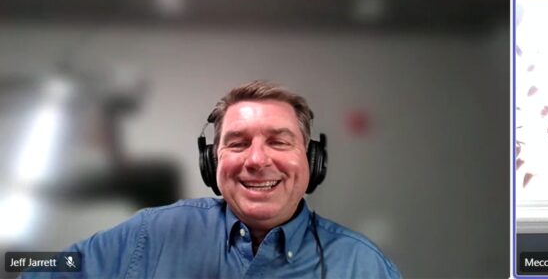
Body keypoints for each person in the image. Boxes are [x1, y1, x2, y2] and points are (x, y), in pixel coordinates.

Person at [41, 81, 401, 278]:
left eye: (278, 142)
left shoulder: (363, 265)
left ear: (311, 160)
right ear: (212, 162)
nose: (256, 160)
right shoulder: (152, 232)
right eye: (238, 143)